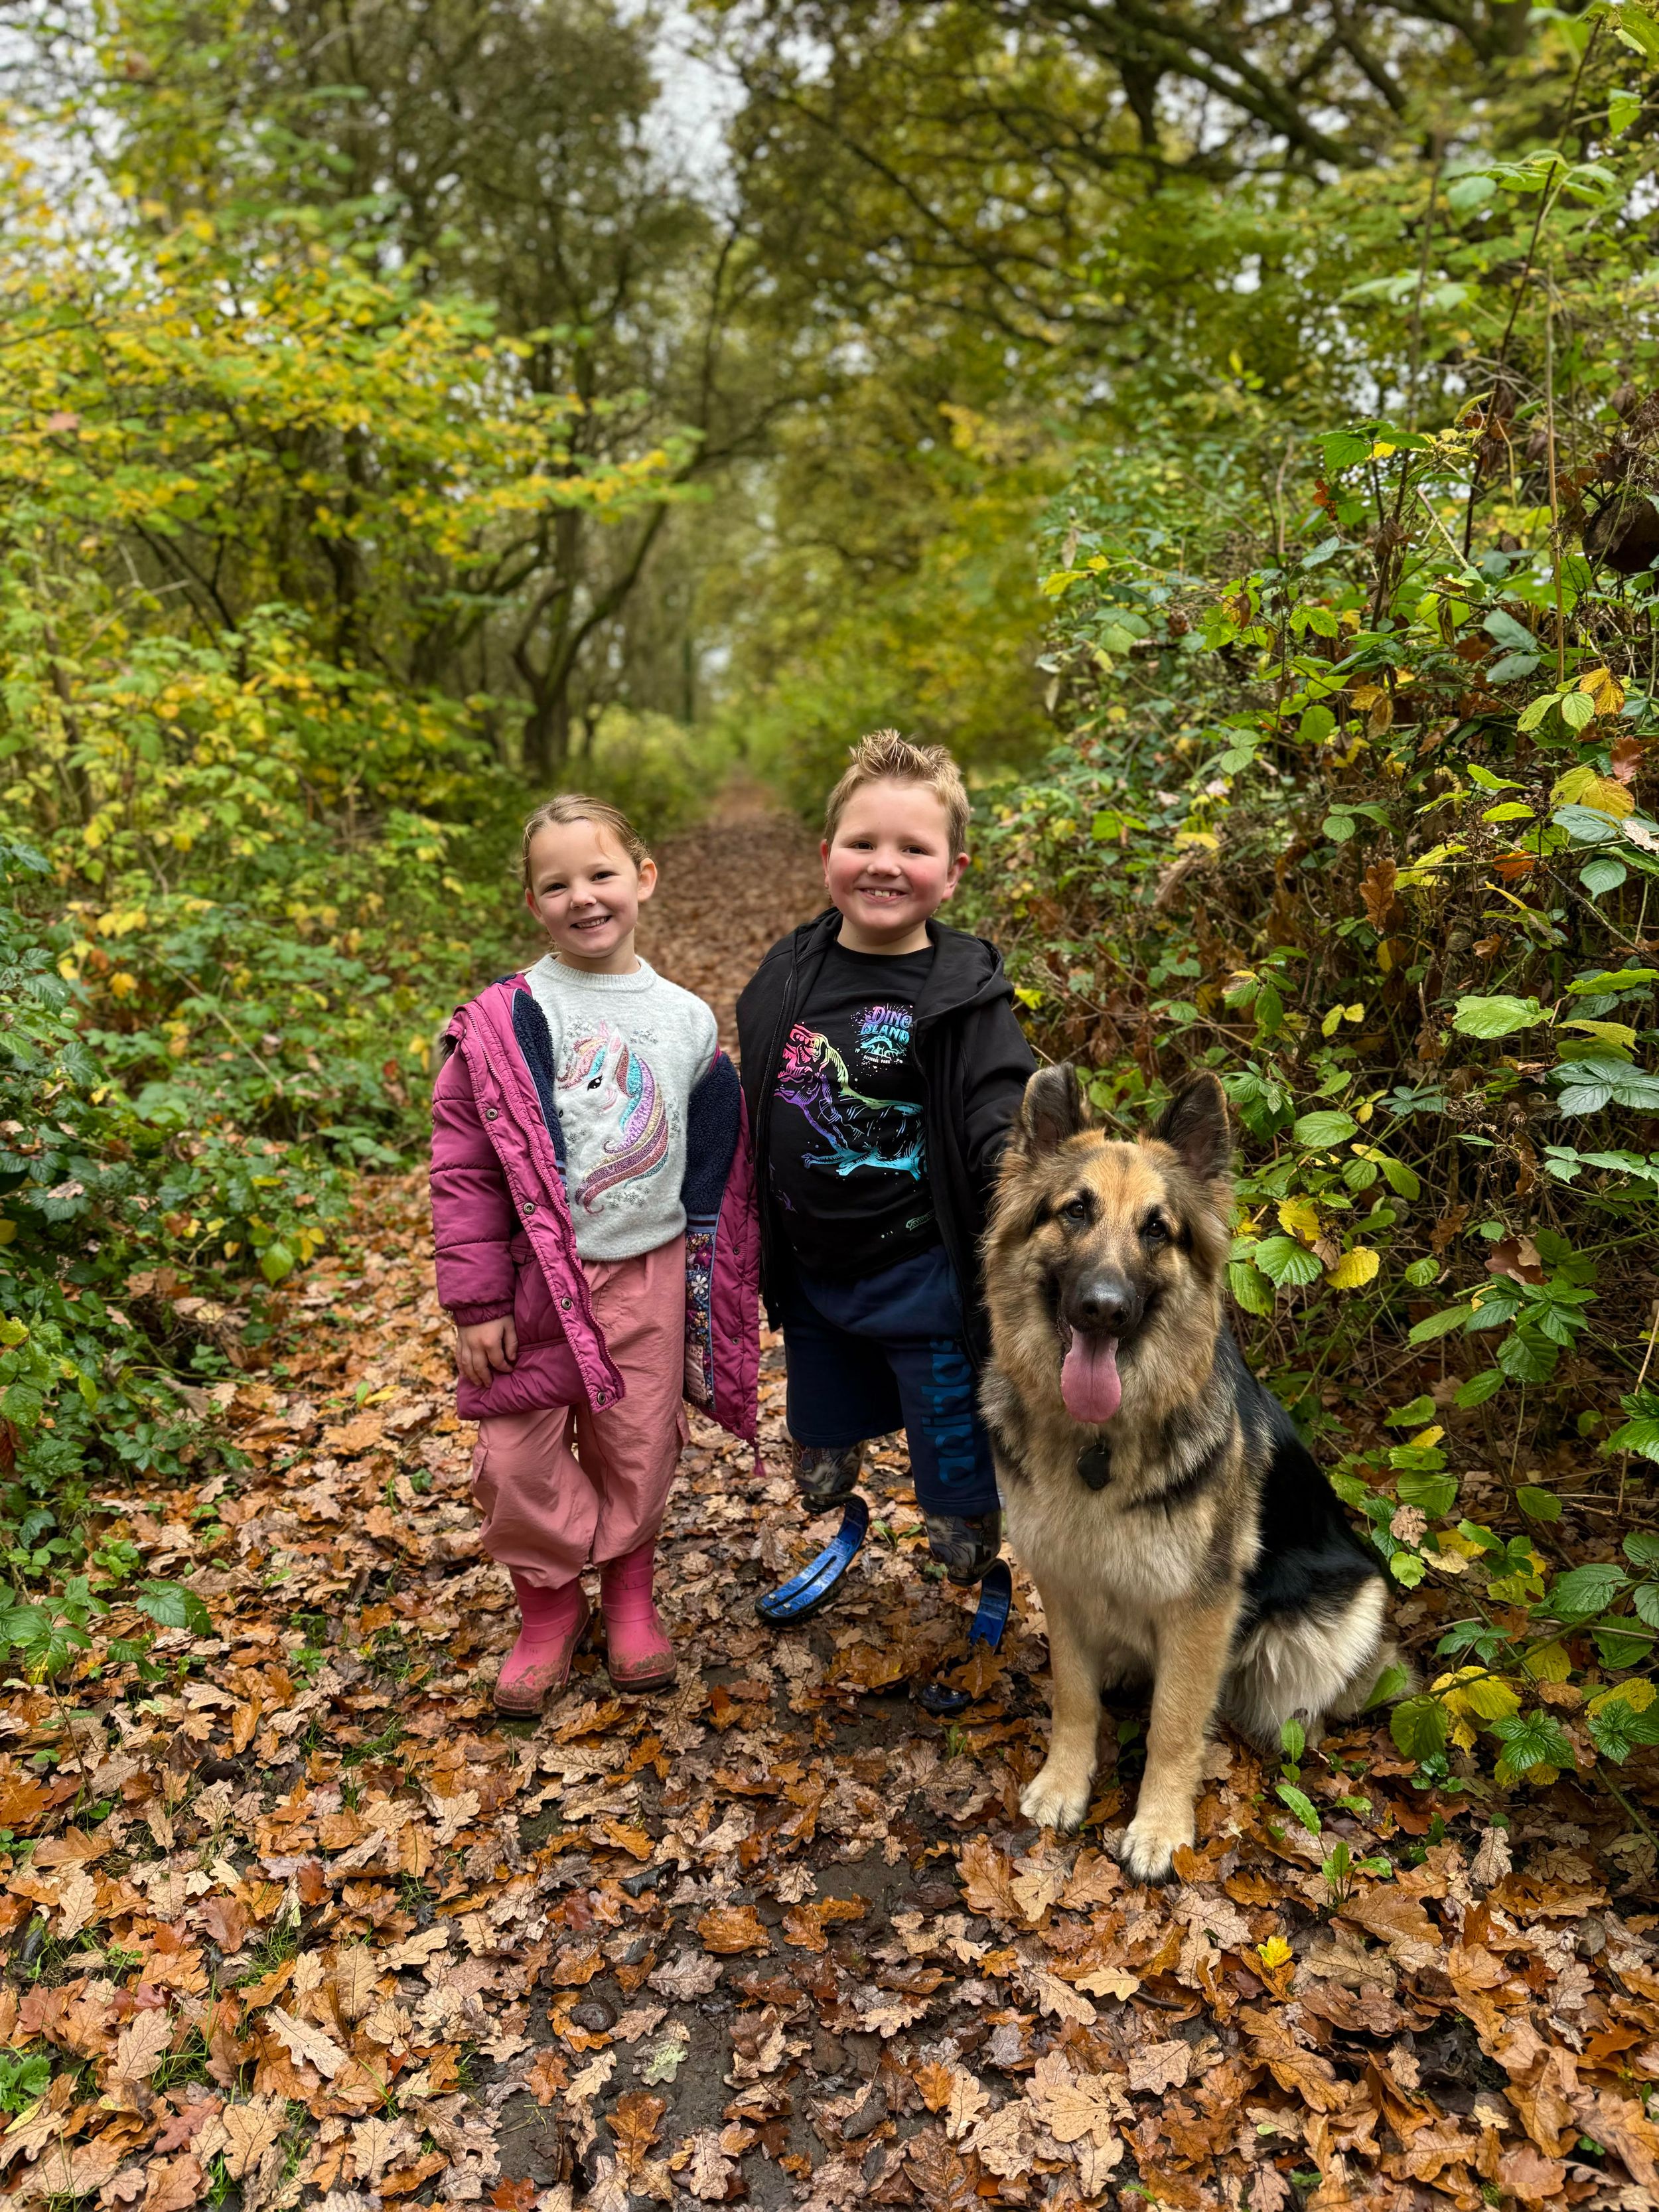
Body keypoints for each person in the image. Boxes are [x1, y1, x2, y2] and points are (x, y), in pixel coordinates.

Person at [430, 795, 758, 1714]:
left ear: (643, 878)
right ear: (532, 902)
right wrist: (477, 1302)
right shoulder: (506, 1020)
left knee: (638, 1442)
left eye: (602, 873)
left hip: (643, 1275)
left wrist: (711, 1294)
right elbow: (462, 1168)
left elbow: (716, 1165)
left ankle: (627, 1595)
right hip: (536, 1281)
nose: (584, 897)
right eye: (557, 883)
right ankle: (546, 1607)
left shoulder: (687, 1019)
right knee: (516, 1453)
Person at [735, 731, 1035, 1617]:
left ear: (952, 872)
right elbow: (758, 1074)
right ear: (827, 854)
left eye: (914, 848)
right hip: (814, 1266)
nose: (884, 864)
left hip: (922, 1275)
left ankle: (966, 1529)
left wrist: (1012, 1156)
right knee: (820, 1429)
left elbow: (994, 1100)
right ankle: (839, 1464)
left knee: (949, 1431)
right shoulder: (790, 968)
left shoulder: (964, 990)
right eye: (863, 843)